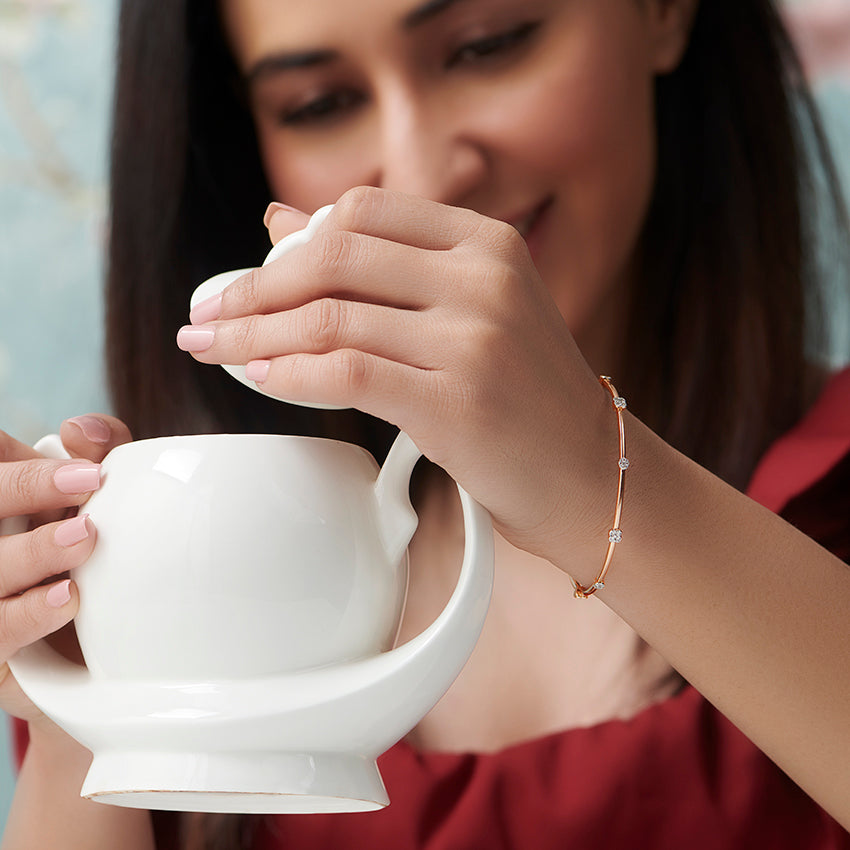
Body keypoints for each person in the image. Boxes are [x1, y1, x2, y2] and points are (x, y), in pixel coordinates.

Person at [1, 0, 850, 847]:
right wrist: (93, 699)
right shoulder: (176, 601)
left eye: (488, 45)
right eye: (319, 104)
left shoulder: (830, 494)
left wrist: (594, 468)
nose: (423, 171)